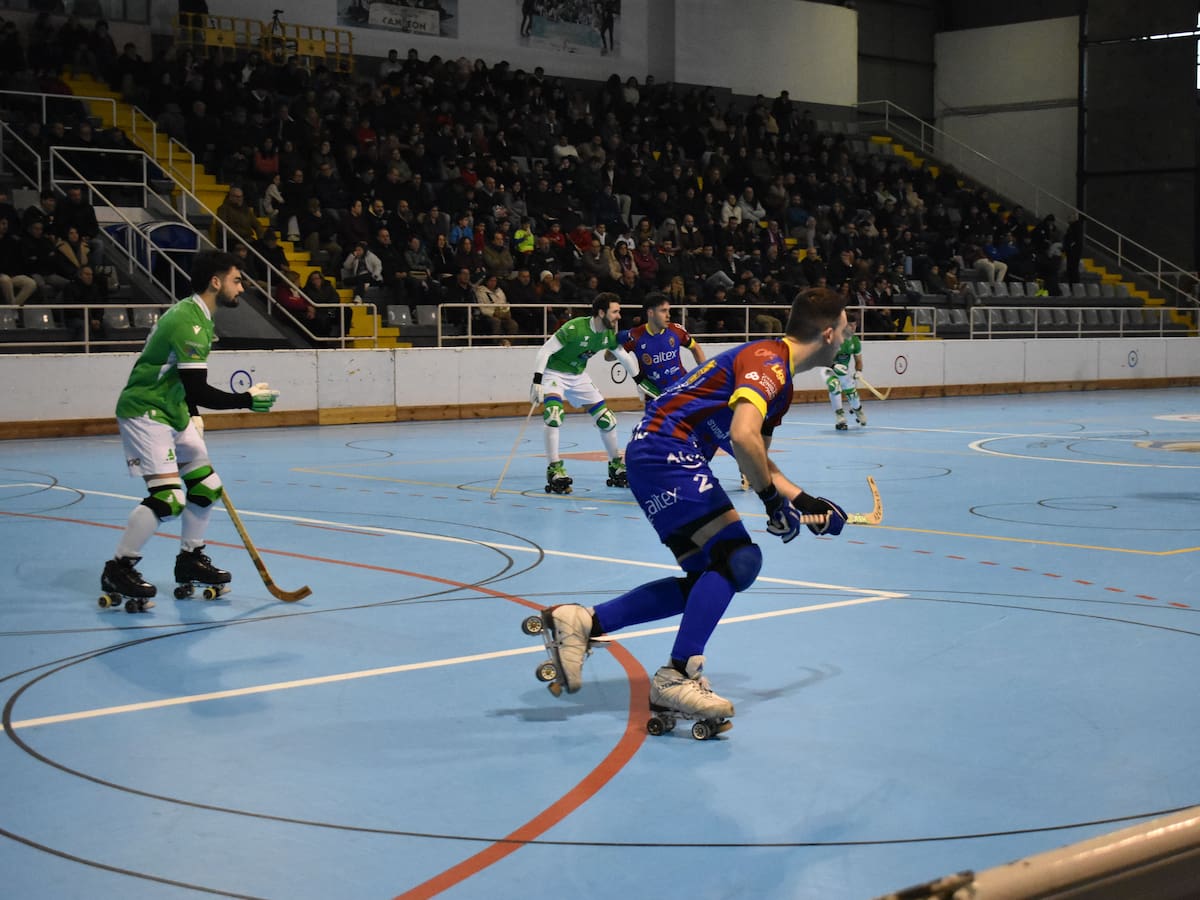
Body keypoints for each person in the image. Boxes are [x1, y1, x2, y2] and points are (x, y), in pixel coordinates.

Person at [537, 287, 851, 728]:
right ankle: (677, 675)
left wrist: (804, 500)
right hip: (668, 451)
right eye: (847, 324)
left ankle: (586, 622)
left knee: (712, 575)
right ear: (829, 331)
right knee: (738, 558)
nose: (850, 334)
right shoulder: (770, 362)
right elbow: (743, 438)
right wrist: (770, 502)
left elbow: (755, 453)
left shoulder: (777, 380)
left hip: (655, 455)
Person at [100, 251, 279, 609]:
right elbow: (197, 386)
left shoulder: (201, 315)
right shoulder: (189, 321)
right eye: (236, 279)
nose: (241, 286)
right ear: (216, 281)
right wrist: (245, 400)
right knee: (168, 498)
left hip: (174, 410)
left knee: (206, 485)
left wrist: (191, 414)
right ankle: (119, 567)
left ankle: (190, 559)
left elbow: (185, 381)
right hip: (146, 411)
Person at [529, 293, 648, 493]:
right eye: (615, 312)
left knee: (607, 420)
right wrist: (537, 380)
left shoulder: (608, 335)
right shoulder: (575, 328)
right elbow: (545, 351)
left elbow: (624, 357)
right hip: (554, 373)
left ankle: (616, 465)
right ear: (601, 312)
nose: (619, 316)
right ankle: (555, 469)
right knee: (554, 415)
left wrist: (638, 382)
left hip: (578, 376)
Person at [619, 292, 706, 402]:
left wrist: (704, 372)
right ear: (651, 313)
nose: (668, 315)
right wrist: (617, 339)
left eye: (668, 310)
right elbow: (609, 357)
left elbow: (695, 348)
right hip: (655, 396)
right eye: (663, 311)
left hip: (681, 390)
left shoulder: (676, 330)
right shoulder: (635, 335)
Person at [824, 308, 866, 430]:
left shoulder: (855, 341)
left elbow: (858, 360)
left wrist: (859, 371)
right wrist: (833, 365)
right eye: (850, 325)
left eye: (855, 325)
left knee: (851, 392)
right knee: (834, 385)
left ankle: (858, 410)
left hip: (844, 370)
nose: (853, 328)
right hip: (829, 369)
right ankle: (840, 417)